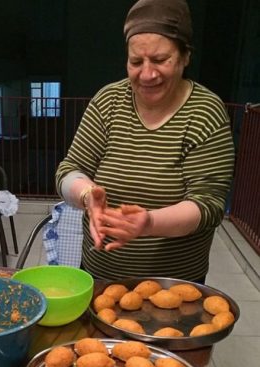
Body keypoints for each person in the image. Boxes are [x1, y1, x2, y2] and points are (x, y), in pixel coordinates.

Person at [56, 0, 235, 284]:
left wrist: (149, 223)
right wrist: (87, 195)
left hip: (172, 286)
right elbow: (68, 171)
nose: (147, 74)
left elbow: (208, 205)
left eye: (161, 60)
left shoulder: (204, 113)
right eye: (136, 62)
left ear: (185, 56)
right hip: (100, 277)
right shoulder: (108, 102)